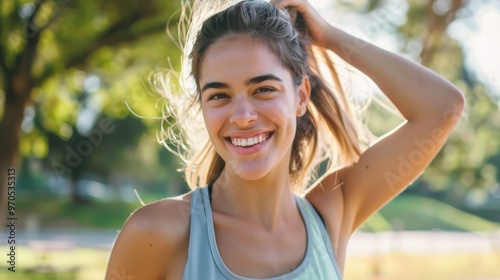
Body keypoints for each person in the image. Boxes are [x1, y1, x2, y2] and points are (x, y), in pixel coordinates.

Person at [105, 0, 464, 279]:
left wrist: (330, 35)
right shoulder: (159, 231)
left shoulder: (330, 215)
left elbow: (443, 108)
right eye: (219, 95)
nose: (242, 116)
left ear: (302, 95)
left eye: (263, 89)